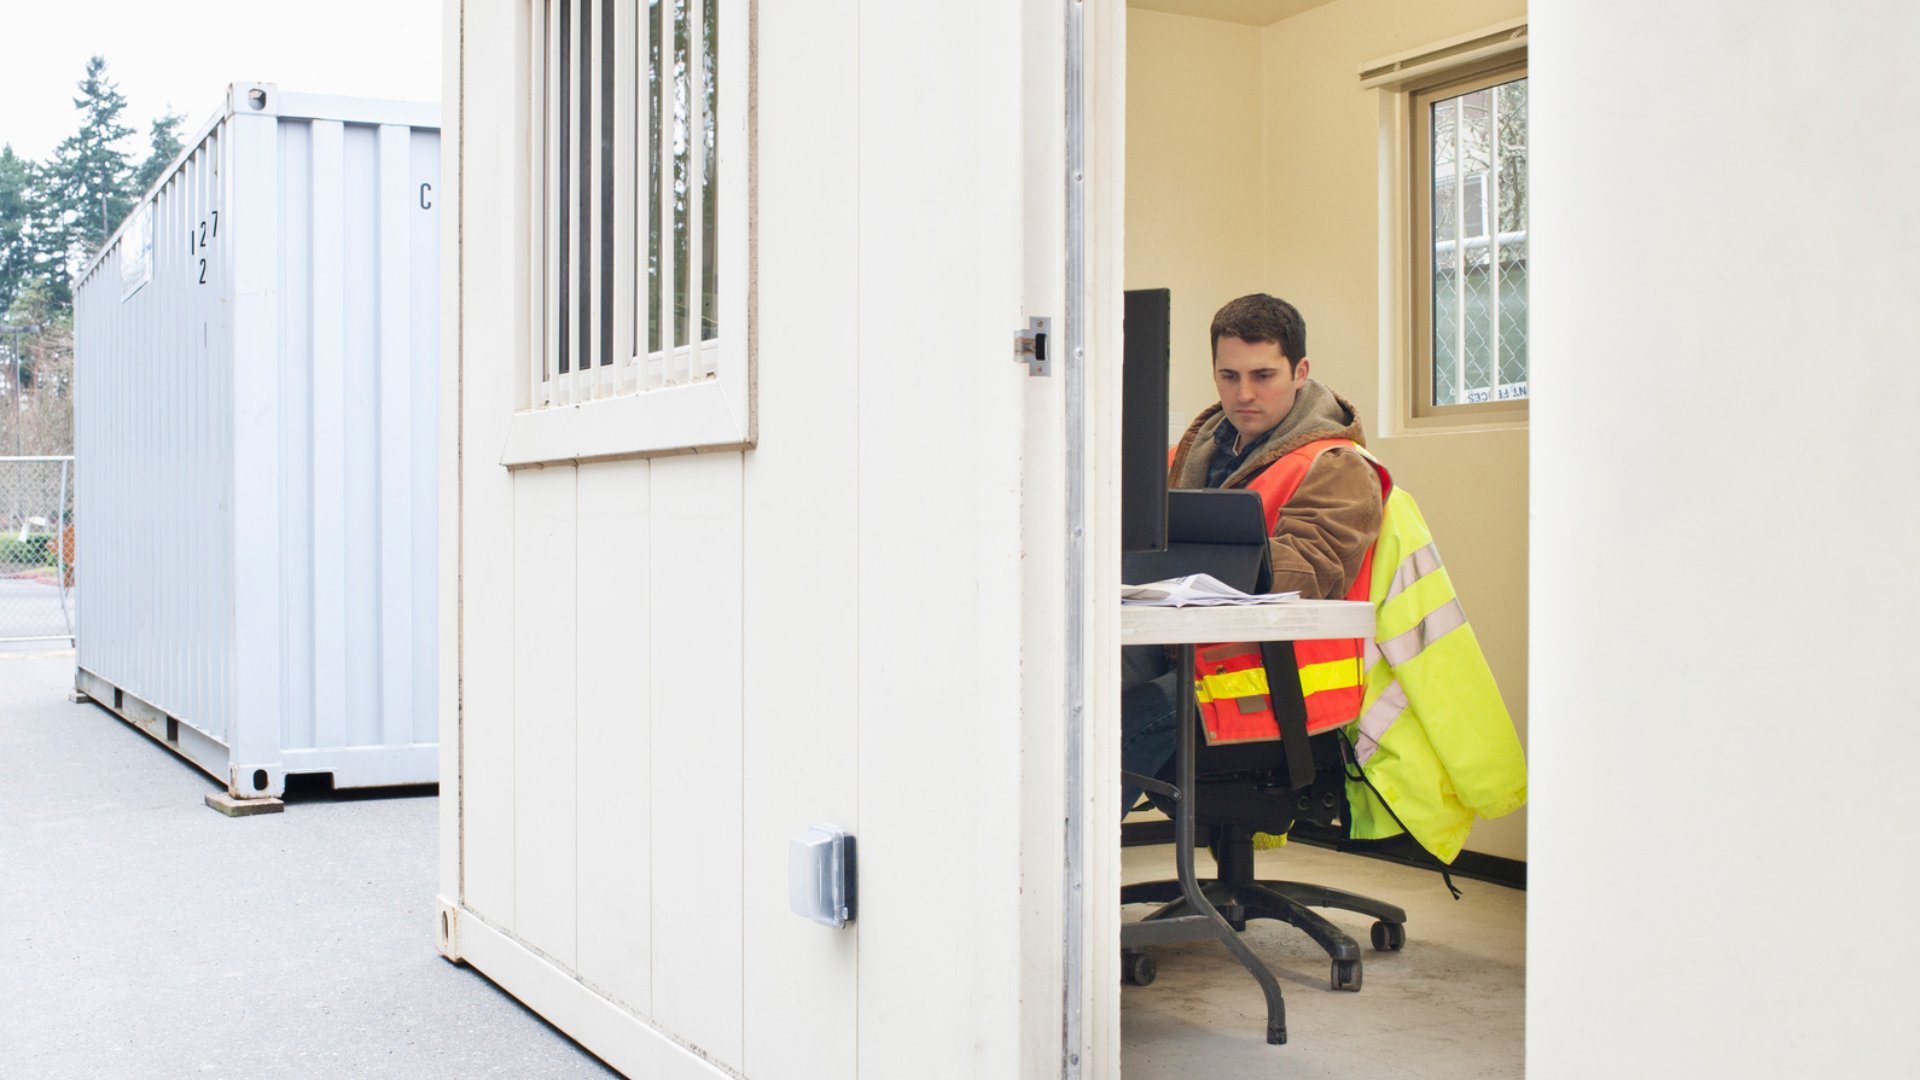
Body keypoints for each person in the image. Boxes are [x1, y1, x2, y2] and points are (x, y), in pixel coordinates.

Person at [1121, 293, 1387, 811]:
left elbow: (1303, 575)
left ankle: (1066, 878)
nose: (1243, 393)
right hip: (1188, 653)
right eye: (1228, 376)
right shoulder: (1191, 457)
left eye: (1263, 375)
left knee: (1118, 727)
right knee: (1072, 700)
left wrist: (1179, 569)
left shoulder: (1339, 466)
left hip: (1272, 677)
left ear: (1300, 371)